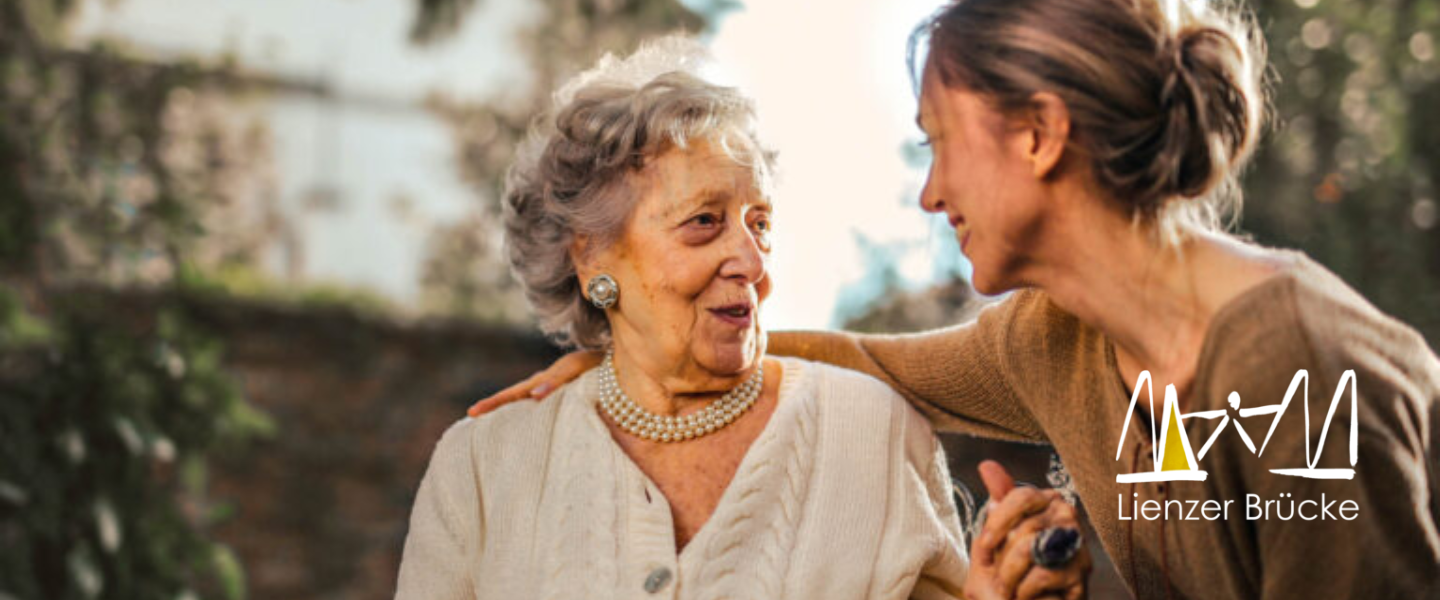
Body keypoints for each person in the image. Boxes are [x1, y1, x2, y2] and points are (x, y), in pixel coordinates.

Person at [467, 1, 1440, 599]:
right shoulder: (1052, 341)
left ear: (1039, 135)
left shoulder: (1298, 364)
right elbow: (859, 361)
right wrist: (631, 350)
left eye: (938, 140)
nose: (930, 193)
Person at [395, 38, 1086, 600]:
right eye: (704, 223)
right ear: (592, 257)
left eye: (760, 223)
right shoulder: (484, 467)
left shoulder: (870, 432)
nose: (751, 260)